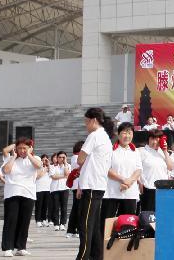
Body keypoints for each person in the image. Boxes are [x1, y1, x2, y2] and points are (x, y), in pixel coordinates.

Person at [76, 107, 115, 260]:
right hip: (98, 185)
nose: (86, 125)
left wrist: (83, 163)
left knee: (85, 226)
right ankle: (97, 256)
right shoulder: (105, 136)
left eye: (86, 122)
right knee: (93, 225)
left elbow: (80, 159)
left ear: (93, 120)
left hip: (91, 185)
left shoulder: (95, 135)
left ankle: (83, 257)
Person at [1, 139, 42, 257]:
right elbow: (6, 170)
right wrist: (13, 157)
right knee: (11, 220)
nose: (22, 150)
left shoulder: (35, 159)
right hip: (12, 193)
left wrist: (29, 154)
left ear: (30, 148)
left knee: (24, 221)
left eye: (25, 148)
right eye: (20, 148)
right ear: (16, 149)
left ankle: (21, 247)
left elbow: (38, 166)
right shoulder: (10, 159)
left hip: (28, 193)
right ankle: (8, 248)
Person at [103, 122, 143, 222]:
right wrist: (124, 180)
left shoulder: (135, 151)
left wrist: (129, 182)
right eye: (124, 133)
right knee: (108, 222)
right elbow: (107, 169)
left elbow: (138, 169)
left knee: (128, 222)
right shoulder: (111, 150)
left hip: (130, 192)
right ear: (118, 134)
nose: (127, 136)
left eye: (130, 133)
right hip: (112, 192)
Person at [139, 130, 169, 212]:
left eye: (157, 139)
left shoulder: (162, 152)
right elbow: (136, 168)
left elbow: (170, 167)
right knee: (148, 217)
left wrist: (165, 151)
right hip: (149, 188)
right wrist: (139, 182)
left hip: (163, 189)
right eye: (152, 139)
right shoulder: (141, 151)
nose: (155, 142)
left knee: (162, 214)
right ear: (148, 139)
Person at [64, 140, 84, 239]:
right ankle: (71, 230)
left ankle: (73, 229)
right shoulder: (76, 157)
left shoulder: (77, 157)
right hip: (77, 186)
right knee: (77, 209)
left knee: (77, 209)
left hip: (80, 186)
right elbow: (80, 167)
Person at [48, 152, 70, 231]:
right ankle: (56, 223)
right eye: (60, 157)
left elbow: (67, 174)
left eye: (63, 157)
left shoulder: (68, 166)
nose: (62, 159)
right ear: (57, 158)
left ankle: (63, 223)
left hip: (65, 188)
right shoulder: (52, 166)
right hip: (55, 189)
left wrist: (65, 164)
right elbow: (53, 177)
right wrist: (64, 176)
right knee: (56, 207)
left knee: (64, 207)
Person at [34, 154, 52, 227]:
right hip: (39, 189)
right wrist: (44, 170)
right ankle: (38, 220)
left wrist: (48, 165)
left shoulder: (49, 167)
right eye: (43, 159)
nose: (45, 161)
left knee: (45, 206)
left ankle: (44, 219)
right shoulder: (38, 167)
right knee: (39, 205)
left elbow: (52, 174)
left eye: (46, 159)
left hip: (47, 189)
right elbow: (37, 177)